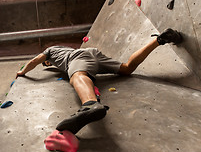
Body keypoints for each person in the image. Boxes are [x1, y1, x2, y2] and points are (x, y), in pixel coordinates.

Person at [16, 28, 183, 134]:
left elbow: (34, 61)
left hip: (77, 58)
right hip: (92, 54)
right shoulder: (63, 51)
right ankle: (159, 40)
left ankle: (90, 104)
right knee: (126, 68)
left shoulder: (50, 51)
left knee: (77, 75)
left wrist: (22, 71)